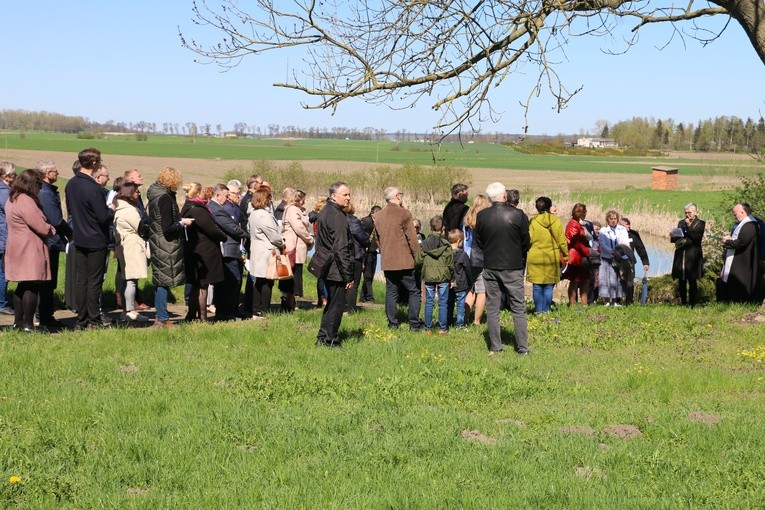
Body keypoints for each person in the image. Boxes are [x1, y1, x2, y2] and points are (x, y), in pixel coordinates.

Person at [474, 182, 530, 354]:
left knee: (493, 308)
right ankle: (522, 348)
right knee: (518, 307)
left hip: (490, 265)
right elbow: (526, 241)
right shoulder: (518, 214)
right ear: (504, 196)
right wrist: (518, 254)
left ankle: (495, 346)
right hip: (513, 266)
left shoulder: (482, 216)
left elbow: (478, 241)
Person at [65, 148, 116, 330]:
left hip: (78, 239)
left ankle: (81, 320)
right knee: (94, 282)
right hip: (95, 240)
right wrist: (111, 209)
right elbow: (103, 217)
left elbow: (71, 211)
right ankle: (94, 320)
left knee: (81, 282)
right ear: (94, 164)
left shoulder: (71, 184)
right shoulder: (94, 188)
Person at [5, 169, 55, 332]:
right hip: (29, 247)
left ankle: (18, 322)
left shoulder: (13, 198)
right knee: (32, 284)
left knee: (22, 285)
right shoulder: (26, 200)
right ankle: (27, 324)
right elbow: (39, 225)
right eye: (38, 184)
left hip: (16, 244)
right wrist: (50, 229)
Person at [147, 167, 193, 327]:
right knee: (163, 282)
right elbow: (167, 226)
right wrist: (182, 223)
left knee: (161, 280)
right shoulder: (165, 198)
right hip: (166, 244)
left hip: (158, 242)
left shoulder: (155, 195)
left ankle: (161, 316)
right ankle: (163, 318)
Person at [374, 186, 422, 331]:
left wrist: (384, 252)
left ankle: (393, 323)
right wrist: (418, 257)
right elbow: (412, 239)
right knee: (414, 291)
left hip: (388, 261)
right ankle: (414, 323)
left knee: (391, 292)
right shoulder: (404, 213)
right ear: (398, 196)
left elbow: (377, 239)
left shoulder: (379, 215)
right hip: (405, 261)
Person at [315, 182, 354, 347]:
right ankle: (331, 340)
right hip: (335, 268)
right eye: (345, 195)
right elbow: (341, 249)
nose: (348, 198)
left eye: (349, 194)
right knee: (336, 306)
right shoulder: (337, 217)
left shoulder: (325, 211)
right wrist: (348, 276)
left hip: (327, 265)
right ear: (333, 196)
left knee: (330, 304)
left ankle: (323, 336)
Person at [181, 182, 227, 322]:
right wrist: (223, 237)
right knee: (203, 285)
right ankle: (203, 317)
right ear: (198, 193)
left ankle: (192, 314)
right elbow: (210, 229)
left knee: (196, 284)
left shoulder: (187, 206)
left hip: (193, 249)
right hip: (204, 250)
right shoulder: (198, 209)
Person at [37, 160, 72, 329]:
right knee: (47, 281)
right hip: (50, 241)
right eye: (55, 171)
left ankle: (44, 313)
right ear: (46, 173)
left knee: (47, 281)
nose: (57, 174)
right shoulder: (45, 192)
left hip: (51, 240)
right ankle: (45, 316)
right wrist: (71, 233)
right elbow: (56, 219)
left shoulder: (46, 190)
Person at [209, 183, 248, 321]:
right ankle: (226, 312)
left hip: (231, 248)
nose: (227, 199)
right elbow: (231, 227)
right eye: (226, 196)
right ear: (218, 195)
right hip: (227, 249)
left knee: (231, 281)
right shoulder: (217, 209)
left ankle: (229, 310)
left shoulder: (219, 207)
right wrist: (247, 234)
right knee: (231, 281)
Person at [113, 182, 149, 322]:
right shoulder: (129, 210)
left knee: (126, 278)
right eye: (135, 192)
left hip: (125, 245)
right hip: (131, 245)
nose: (138, 194)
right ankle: (130, 310)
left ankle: (126, 310)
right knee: (131, 279)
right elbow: (141, 228)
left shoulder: (120, 208)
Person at [248, 186, 284, 319]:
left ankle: (256, 309)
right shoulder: (263, 215)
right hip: (266, 251)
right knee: (267, 281)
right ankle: (264, 310)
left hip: (257, 250)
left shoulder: (253, 214)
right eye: (269, 198)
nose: (271, 200)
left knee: (259, 281)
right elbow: (273, 236)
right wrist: (282, 242)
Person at [527, 196, 568, 313]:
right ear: (549, 207)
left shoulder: (533, 221)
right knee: (549, 286)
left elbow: (529, 239)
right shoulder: (556, 221)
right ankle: (545, 310)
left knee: (537, 286)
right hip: (552, 256)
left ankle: (538, 310)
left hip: (535, 256)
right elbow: (562, 241)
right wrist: (565, 255)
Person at [415, 215, 453, 334]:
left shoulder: (424, 243)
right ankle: (442, 328)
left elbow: (418, 261)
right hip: (444, 276)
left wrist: (420, 270)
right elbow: (451, 263)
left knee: (429, 303)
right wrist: (452, 277)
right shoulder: (446, 245)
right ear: (442, 228)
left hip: (429, 276)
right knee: (443, 303)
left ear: (431, 228)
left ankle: (427, 328)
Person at [279, 189, 314, 312]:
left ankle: (290, 301)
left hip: (294, 246)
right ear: (299, 199)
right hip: (293, 247)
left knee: (292, 274)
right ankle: (289, 303)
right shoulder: (293, 210)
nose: (304, 202)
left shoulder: (291, 209)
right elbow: (299, 227)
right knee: (292, 275)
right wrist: (310, 238)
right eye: (303, 199)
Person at [718, 203, 759, 303]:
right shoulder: (744, 224)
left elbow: (741, 242)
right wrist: (730, 239)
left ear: (742, 212)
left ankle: (739, 302)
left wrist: (727, 242)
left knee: (739, 281)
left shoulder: (749, 225)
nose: (734, 216)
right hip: (739, 257)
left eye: (735, 214)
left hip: (743, 260)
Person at [670, 203, 705, 306]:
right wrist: (673, 236)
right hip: (681, 254)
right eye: (685, 213)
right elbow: (677, 239)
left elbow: (696, 238)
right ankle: (683, 303)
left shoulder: (700, 223)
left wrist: (689, 226)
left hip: (693, 255)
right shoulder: (681, 223)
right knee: (681, 280)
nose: (687, 215)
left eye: (689, 212)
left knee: (692, 280)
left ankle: (692, 304)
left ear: (695, 212)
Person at [463, 194, 489, 325]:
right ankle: (477, 321)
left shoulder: (467, 219)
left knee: (469, 290)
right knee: (481, 291)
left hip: (467, 258)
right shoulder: (485, 220)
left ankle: (465, 318)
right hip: (481, 258)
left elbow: (465, 242)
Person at [598, 210, 630, 306]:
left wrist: (621, 252)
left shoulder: (622, 229)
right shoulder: (603, 230)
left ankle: (616, 300)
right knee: (606, 279)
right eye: (611, 219)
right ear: (607, 220)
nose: (613, 221)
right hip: (607, 258)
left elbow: (625, 242)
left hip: (619, 258)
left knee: (618, 279)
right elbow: (602, 244)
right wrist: (612, 252)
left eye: (615, 219)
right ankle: (606, 300)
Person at [343, 198, 370, 312]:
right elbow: (362, 238)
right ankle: (351, 309)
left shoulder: (336, 218)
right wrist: (367, 240)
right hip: (354, 255)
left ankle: (341, 305)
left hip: (342, 254)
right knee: (354, 282)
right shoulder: (352, 221)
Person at [564, 203, 593, 306]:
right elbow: (576, 243)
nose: (586, 214)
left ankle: (584, 305)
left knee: (585, 279)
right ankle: (572, 305)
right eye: (585, 212)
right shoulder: (572, 224)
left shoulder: (579, 224)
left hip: (582, 257)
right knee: (574, 281)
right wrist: (588, 252)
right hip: (575, 257)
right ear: (581, 213)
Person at [619, 216, 650, 304]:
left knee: (630, 282)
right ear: (621, 226)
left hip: (630, 262)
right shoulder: (616, 233)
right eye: (626, 225)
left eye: (629, 224)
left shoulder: (633, 234)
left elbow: (641, 249)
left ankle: (629, 301)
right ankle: (617, 301)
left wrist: (645, 262)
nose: (629, 226)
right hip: (618, 262)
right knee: (618, 281)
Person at [0, 162, 15, 315]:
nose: (15, 177)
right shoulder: (4, 193)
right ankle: (2, 303)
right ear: (6, 177)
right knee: (3, 272)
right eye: (13, 174)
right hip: (3, 237)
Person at [448, 229, 471, 328]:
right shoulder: (463, 254)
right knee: (460, 305)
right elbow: (468, 269)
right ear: (459, 241)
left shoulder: (446, 254)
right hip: (461, 283)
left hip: (449, 283)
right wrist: (470, 282)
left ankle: (448, 321)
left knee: (449, 303)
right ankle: (460, 324)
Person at [359, 205, 381, 302]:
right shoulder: (365, 221)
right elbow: (361, 236)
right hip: (366, 252)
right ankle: (370, 297)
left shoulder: (378, 222)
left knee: (371, 275)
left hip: (374, 251)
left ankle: (362, 297)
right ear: (373, 213)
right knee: (367, 275)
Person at [309, 197, 328, 307]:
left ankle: (322, 298)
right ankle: (323, 298)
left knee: (320, 274)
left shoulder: (315, 217)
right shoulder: (320, 218)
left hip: (318, 246)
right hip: (322, 247)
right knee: (322, 275)